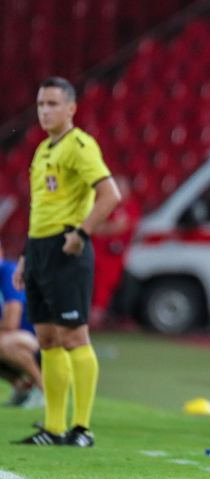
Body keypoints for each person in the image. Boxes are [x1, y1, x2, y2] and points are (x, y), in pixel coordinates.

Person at [12, 77, 121, 446]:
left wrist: (82, 233)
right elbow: (40, 209)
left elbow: (110, 194)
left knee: (74, 336)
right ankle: (54, 427)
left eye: (53, 104)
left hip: (66, 250)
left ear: (71, 108)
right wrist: (26, 257)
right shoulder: (43, 150)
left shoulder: (80, 146)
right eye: (41, 105)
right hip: (39, 250)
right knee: (46, 338)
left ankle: (82, 428)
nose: (45, 111)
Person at [90, 176, 142, 327]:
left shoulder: (130, 206)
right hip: (94, 251)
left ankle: (97, 317)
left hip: (112, 255)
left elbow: (120, 227)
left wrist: (99, 229)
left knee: (105, 285)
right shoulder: (101, 203)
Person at [0, 239, 43, 408]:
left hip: (39, 340)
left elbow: (11, 323)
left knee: (2, 343)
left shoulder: (8, 273)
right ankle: (22, 387)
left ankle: (43, 389)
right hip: (16, 338)